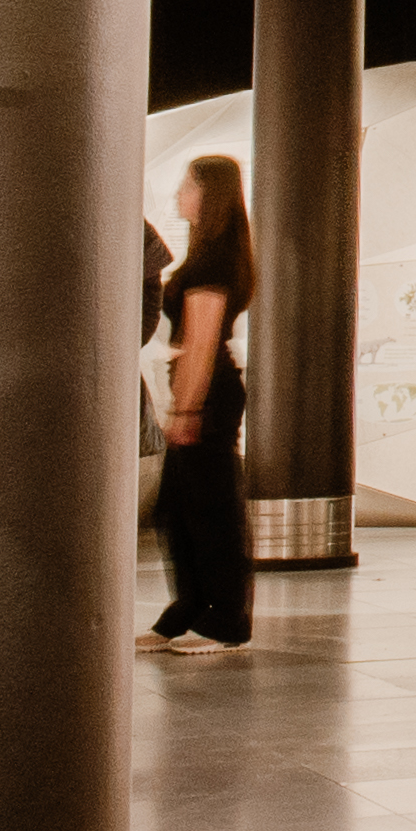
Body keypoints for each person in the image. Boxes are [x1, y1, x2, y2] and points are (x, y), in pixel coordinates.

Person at [143, 153, 256, 657]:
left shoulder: (215, 261)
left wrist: (185, 409)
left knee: (211, 511)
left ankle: (227, 621)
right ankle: (186, 611)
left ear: (210, 194)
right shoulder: (203, 253)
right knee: (177, 508)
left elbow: (204, 340)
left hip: (208, 393)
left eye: (187, 185)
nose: (178, 195)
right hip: (200, 388)